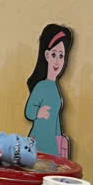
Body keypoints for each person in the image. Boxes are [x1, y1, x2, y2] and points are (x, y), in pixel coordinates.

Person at [24, 23, 72, 157]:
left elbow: (56, 120)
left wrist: (60, 140)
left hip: (52, 145)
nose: (57, 61)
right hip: (38, 142)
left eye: (61, 56)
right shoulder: (41, 86)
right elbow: (29, 111)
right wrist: (38, 112)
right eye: (54, 54)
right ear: (47, 55)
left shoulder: (55, 89)